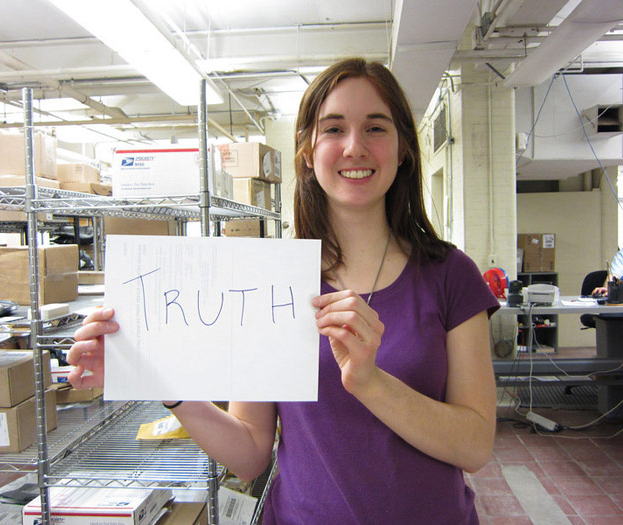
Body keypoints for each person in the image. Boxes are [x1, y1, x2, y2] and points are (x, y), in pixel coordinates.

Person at [67, 57, 500, 524]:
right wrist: (167, 386)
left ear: (403, 151)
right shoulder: (274, 279)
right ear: (308, 152)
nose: (355, 146)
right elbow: (252, 453)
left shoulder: (450, 274)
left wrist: (372, 384)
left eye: (376, 128)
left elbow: (475, 445)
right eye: (333, 129)